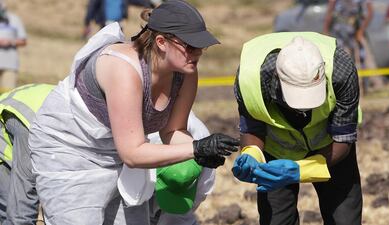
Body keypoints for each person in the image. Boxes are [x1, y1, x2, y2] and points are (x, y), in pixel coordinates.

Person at [28, 1, 238, 224]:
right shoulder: (125, 70)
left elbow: (173, 131)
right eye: (190, 46)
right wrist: (196, 149)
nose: (198, 53)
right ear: (161, 42)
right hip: (70, 148)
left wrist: (201, 155)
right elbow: (132, 153)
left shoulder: (185, 73)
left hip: (119, 150)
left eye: (202, 46)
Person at [232, 32, 362, 225]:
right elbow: (253, 127)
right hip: (276, 152)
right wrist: (251, 154)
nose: (304, 107)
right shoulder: (252, 78)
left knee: (345, 219)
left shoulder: (341, 71)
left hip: (330, 148)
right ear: (277, 78)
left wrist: (300, 170)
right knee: (277, 220)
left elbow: (343, 140)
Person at [0, 83, 54, 225]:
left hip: (23, 107)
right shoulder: (36, 131)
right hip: (23, 121)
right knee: (16, 209)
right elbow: (22, 211)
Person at [323, 0, 383, 94]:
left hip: (356, 32)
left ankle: (370, 86)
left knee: (363, 59)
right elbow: (330, 12)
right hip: (340, 35)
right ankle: (350, 89)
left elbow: (370, 12)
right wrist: (326, 31)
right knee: (343, 62)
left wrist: (361, 31)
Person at [0, 0, 27, 93]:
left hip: (9, 64)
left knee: (7, 94)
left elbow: (23, 41)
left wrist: (10, 42)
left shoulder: (14, 19)